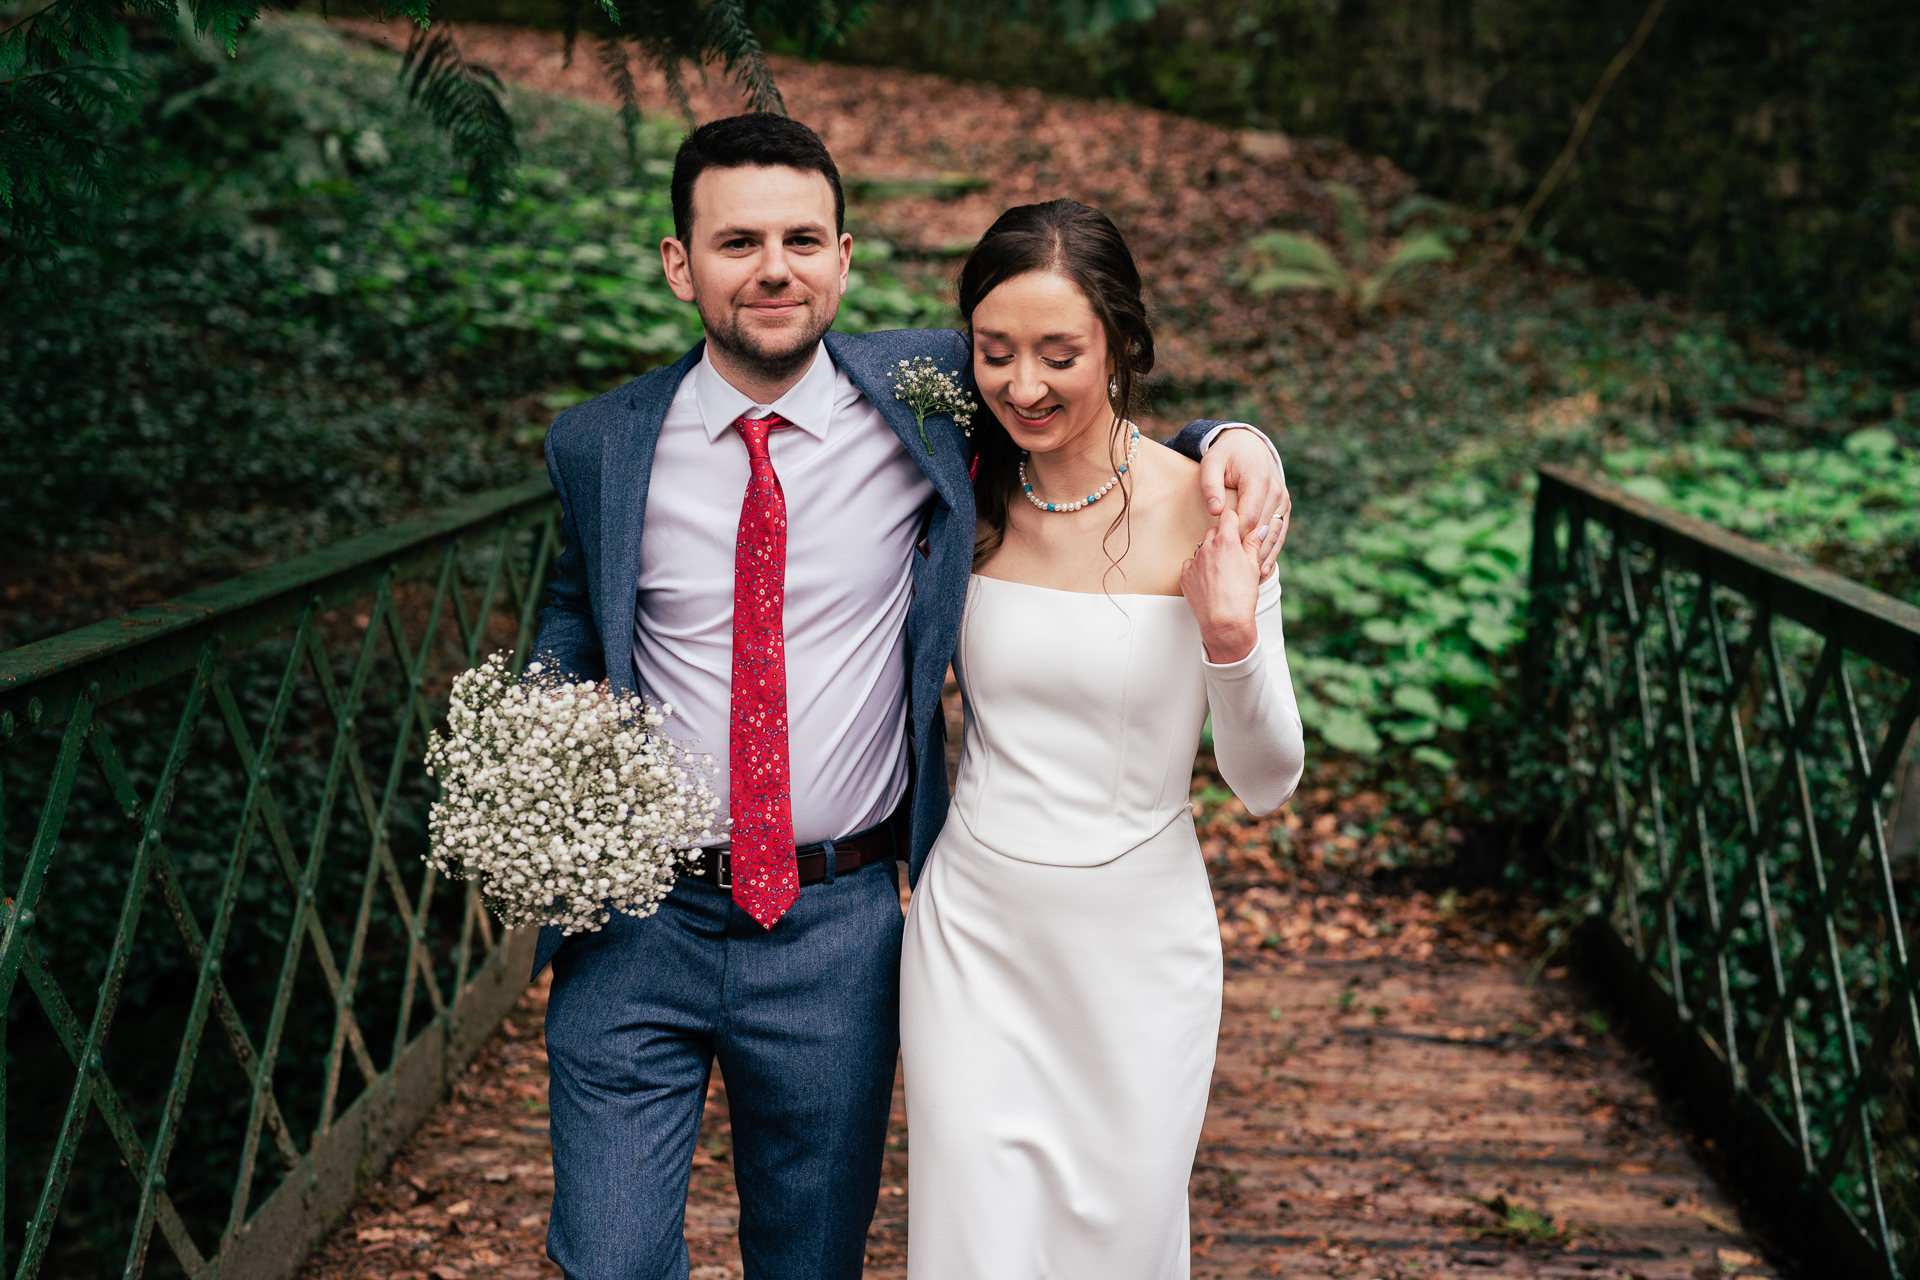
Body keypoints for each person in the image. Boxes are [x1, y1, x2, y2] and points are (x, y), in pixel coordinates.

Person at [528, 113, 1291, 1280]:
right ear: (680, 262)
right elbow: (575, 609)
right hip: (646, 917)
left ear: (845, 254)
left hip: (839, 918)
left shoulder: (925, 403)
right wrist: (542, 726)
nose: (773, 268)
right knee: (611, 1257)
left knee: (813, 1257)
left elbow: (1074, 393)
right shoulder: (598, 445)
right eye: (737, 242)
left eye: (801, 238)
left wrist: (1233, 440)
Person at [898, 199, 1306, 1278]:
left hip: (1138, 944)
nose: (1022, 384)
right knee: (970, 1245)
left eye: (1058, 352)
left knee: (1117, 1245)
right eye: (994, 352)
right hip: (972, 934)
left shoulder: (1216, 509)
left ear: (1120, 341)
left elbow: (1267, 780)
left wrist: (1229, 638)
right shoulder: (955, 488)